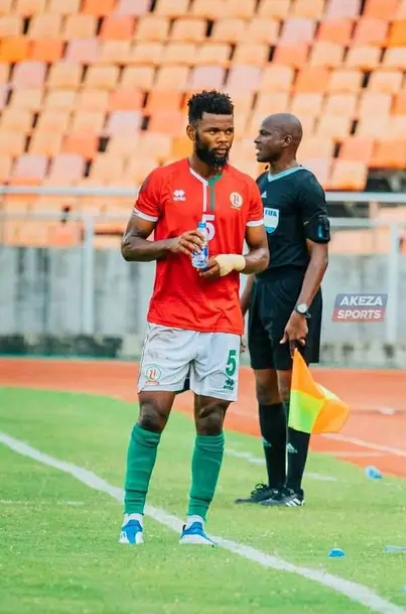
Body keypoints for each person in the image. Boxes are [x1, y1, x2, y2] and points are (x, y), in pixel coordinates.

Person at [118, 90, 269, 545]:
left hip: (221, 321)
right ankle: (132, 516)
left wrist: (231, 262)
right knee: (152, 412)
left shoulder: (245, 187)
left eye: (229, 131)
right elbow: (129, 244)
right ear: (192, 131)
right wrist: (170, 243)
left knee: (211, 418)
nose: (223, 138)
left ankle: (196, 521)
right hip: (170, 317)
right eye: (213, 130)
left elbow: (262, 254)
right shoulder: (162, 181)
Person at [233, 113, 330, 508]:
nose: (256, 140)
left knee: (295, 393)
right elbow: (257, 255)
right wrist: (238, 311)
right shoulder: (260, 184)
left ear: (287, 140)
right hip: (262, 294)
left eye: (265, 134)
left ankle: (293, 489)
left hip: (292, 295)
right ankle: (273, 485)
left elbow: (320, 256)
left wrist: (301, 311)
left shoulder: (305, 185)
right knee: (265, 390)